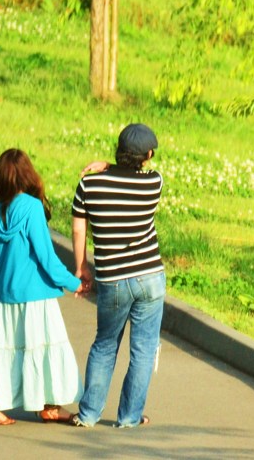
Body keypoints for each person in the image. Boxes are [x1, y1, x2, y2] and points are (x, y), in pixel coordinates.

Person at [0, 148, 86, 426]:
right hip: (35, 294)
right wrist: (74, 283)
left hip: (7, 292)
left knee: (8, 349)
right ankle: (48, 406)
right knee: (44, 348)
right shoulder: (31, 207)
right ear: (27, 173)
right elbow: (47, 258)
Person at [69, 123, 166, 428]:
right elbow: (136, 173)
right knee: (143, 348)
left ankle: (88, 414)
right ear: (147, 156)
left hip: (112, 278)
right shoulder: (153, 184)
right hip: (149, 275)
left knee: (105, 344)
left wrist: (81, 265)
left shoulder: (90, 186)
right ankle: (129, 417)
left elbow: (78, 226)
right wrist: (112, 166)